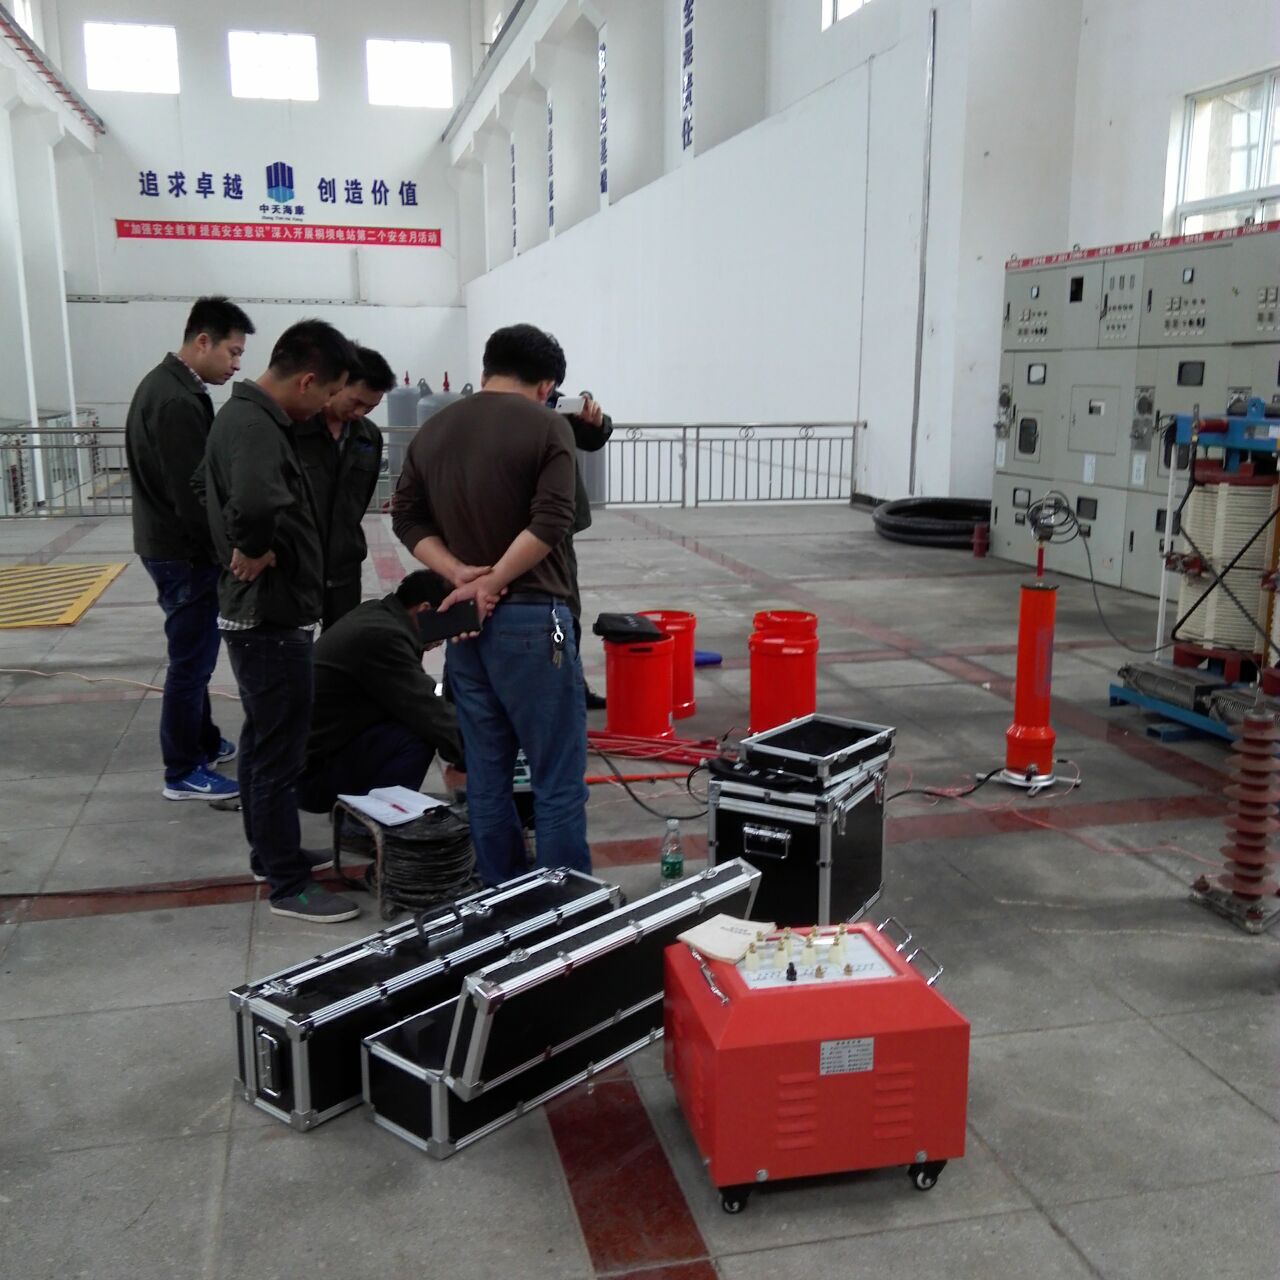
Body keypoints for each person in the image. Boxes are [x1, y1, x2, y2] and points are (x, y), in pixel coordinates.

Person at [391, 323, 599, 886]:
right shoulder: (547, 425)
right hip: (538, 621)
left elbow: (405, 517)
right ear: (547, 385)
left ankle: (502, 896)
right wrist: (493, 581)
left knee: (485, 779)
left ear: (487, 369)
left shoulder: (434, 429)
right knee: (556, 778)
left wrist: (458, 574)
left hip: (465, 627)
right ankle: (564, 906)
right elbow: (552, 521)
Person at [203, 319, 361, 924]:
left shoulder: (246, 418)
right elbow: (254, 501)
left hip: (264, 614)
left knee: (263, 742)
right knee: (279, 753)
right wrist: (253, 546)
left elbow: (206, 490)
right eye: (328, 394)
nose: (325, 407)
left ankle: (271, 854)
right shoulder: (256, 425)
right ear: (307, 380)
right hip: (269, 616)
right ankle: (287, 884)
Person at [125, 296, 255, 802]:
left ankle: (202, 740)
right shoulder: (176, 401)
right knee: (191, 663)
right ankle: (182, 770)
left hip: (166, 543)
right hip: (182, 551)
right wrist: (228, 551)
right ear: (203, 341)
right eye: (233, 352)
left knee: (194, 655)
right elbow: (193, 495)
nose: (237, 364)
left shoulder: (167, 386)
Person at [297, 569, 464, 815]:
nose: (445, 638)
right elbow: (427, 710)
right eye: (448, 623)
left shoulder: (378, 614)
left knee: (410, 719)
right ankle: (376, 820)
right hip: (311, 777)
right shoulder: (384, 636)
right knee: (418, 735)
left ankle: (368, 810)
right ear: (425, 609)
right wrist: (470, 756)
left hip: (309, 757)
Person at [293, 343, 393, 630]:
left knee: (340, 644)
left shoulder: (368, 437)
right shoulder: (293, 428)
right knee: (293, 648)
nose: (361, 412)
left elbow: (361, 498)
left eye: (370, 407)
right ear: (337, 384)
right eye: (356, 402)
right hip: (296, 566)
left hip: (344, 566)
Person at [549, 388, 613, 710]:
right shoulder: (494, 411)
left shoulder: (556, 404)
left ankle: (572, 684)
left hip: (559, 530)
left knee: (566, 610)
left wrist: (596, 422)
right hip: (516, 526)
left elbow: (593, 439)